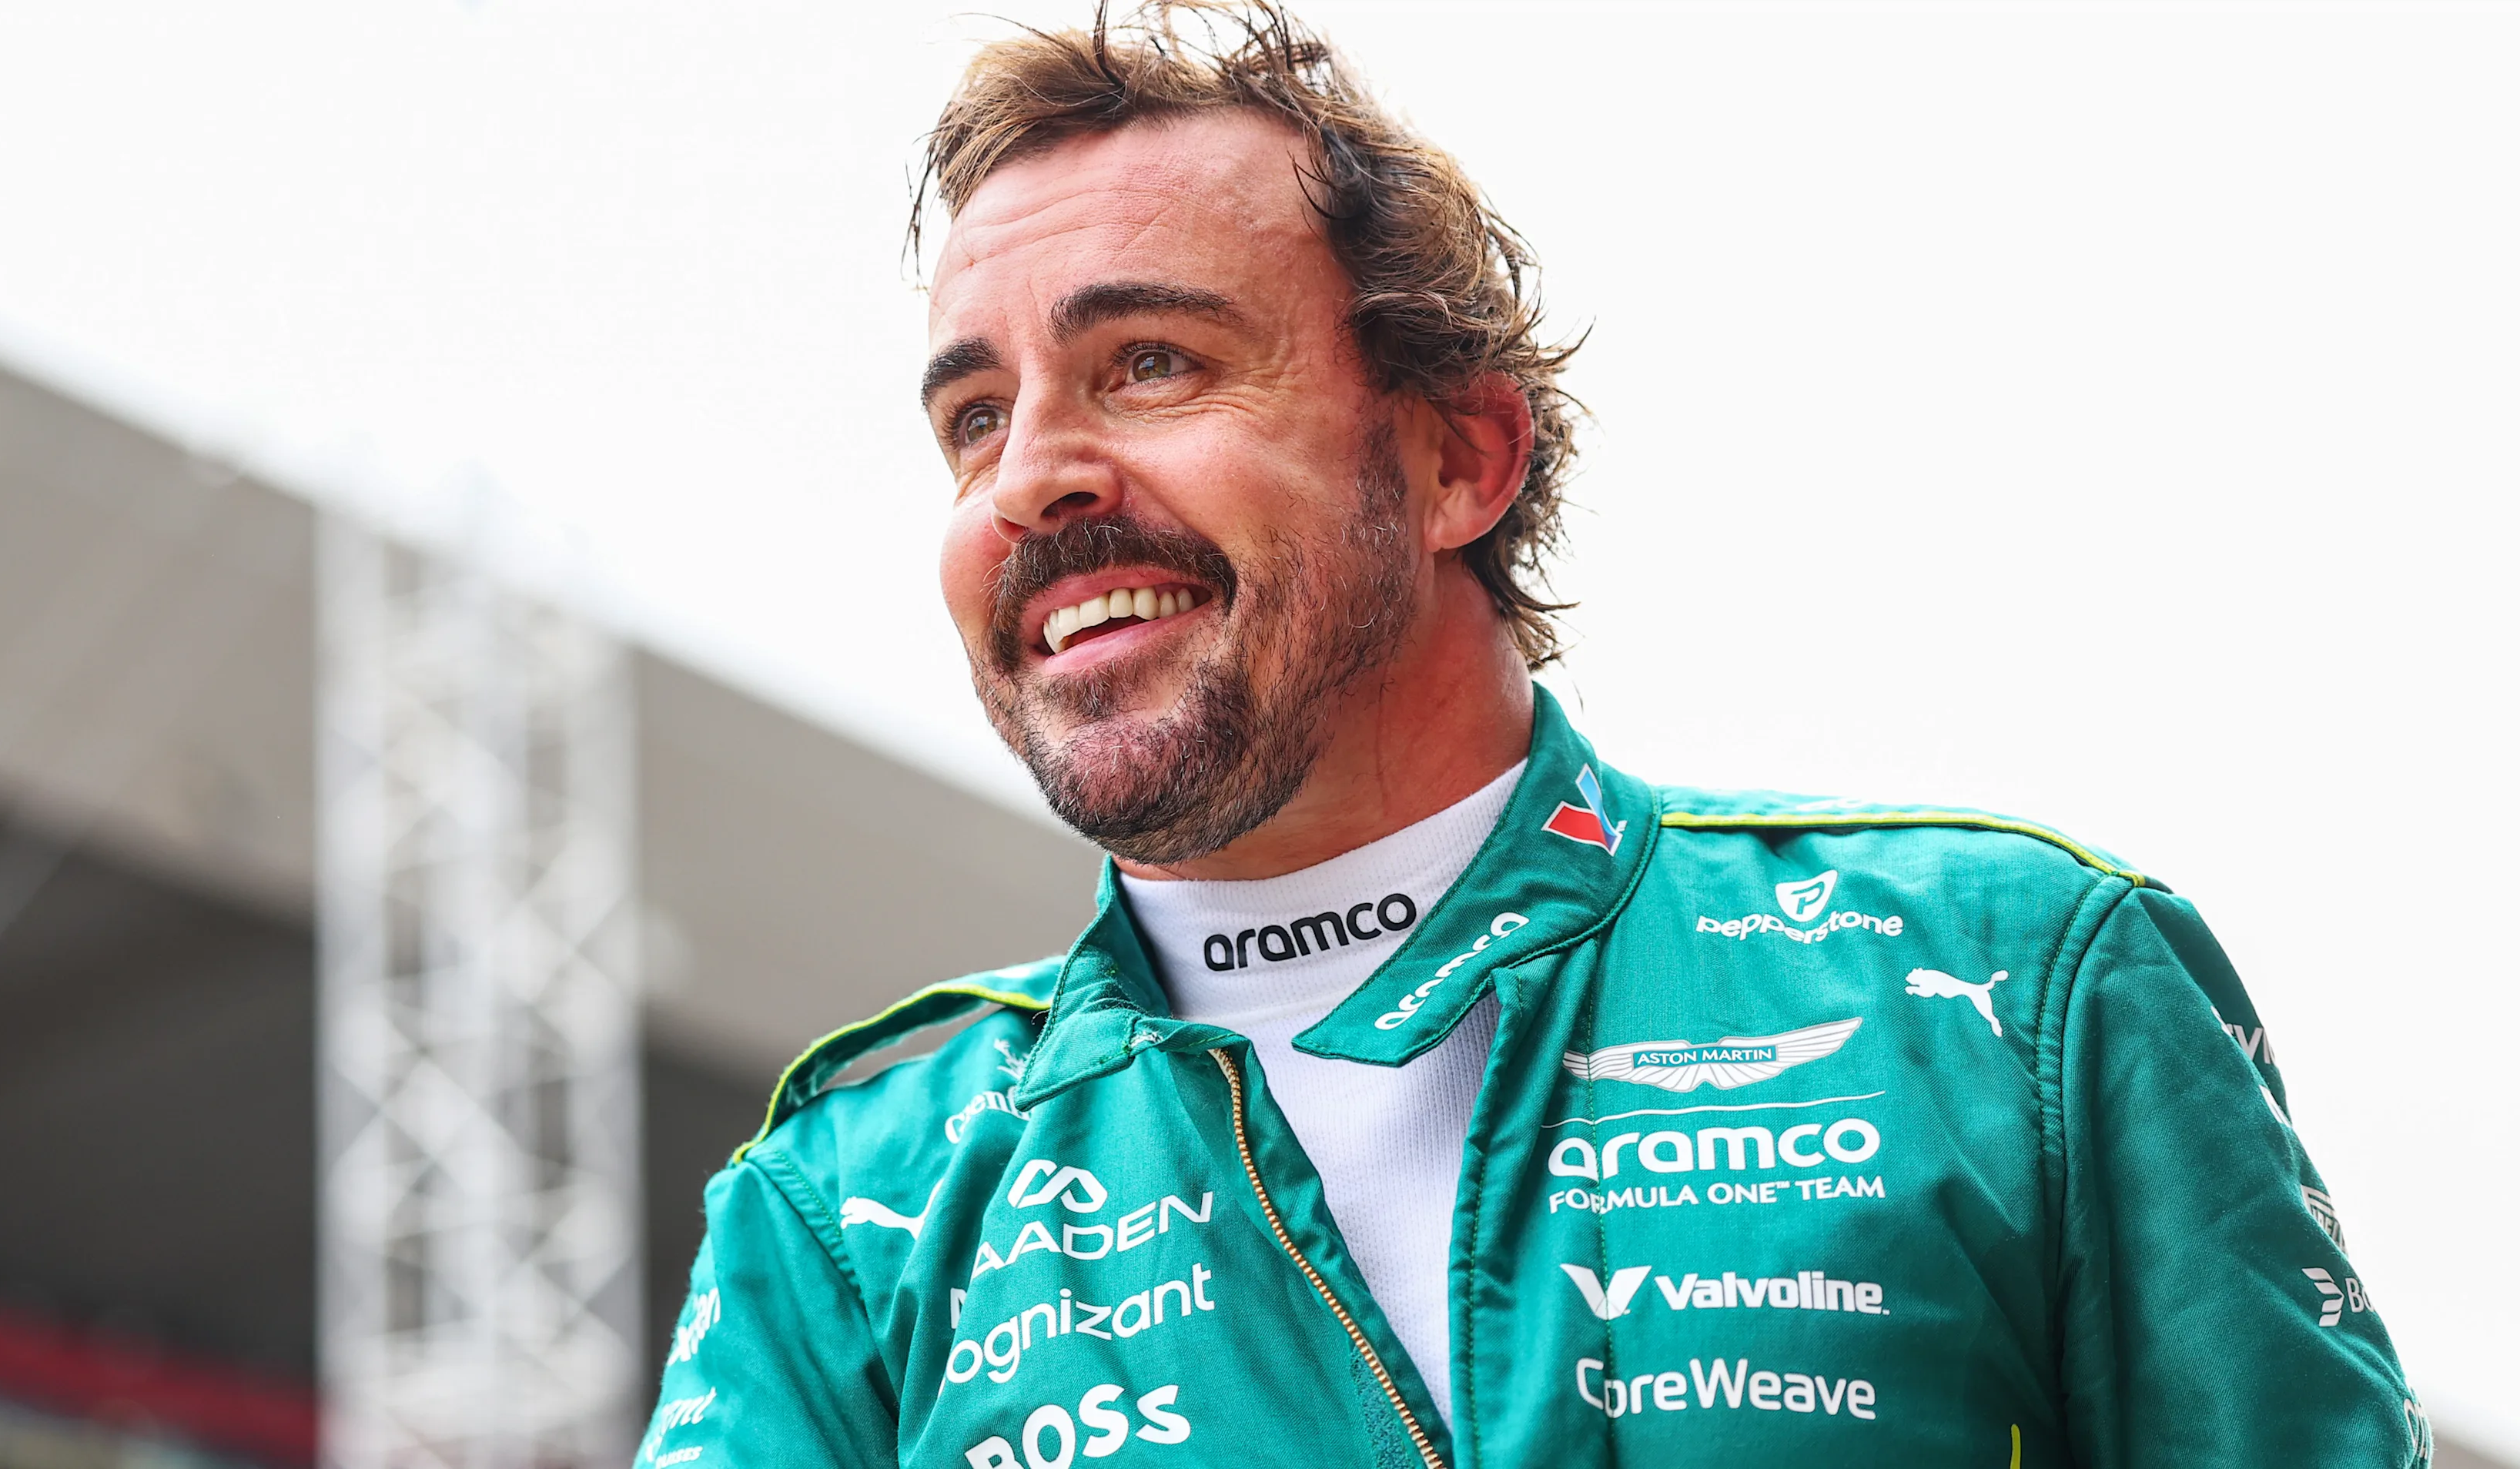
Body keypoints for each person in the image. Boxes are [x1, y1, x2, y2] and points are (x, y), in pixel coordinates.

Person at [640, 5, 2426, 1464]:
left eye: (1153, 364)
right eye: (973, 413)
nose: (1031, 475)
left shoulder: (2015, 989)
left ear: (1456, 462)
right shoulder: (843, 1215)